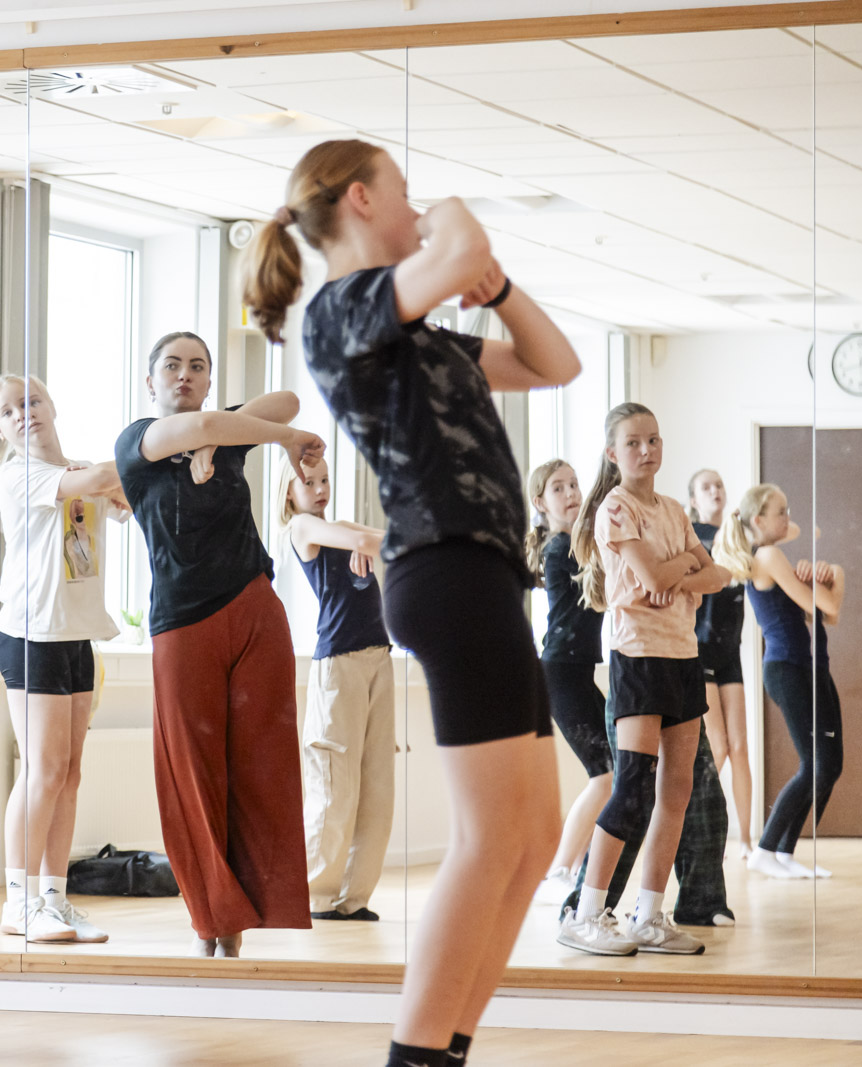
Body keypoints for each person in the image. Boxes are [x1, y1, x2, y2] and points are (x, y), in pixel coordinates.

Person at [245, 138, 579, 1067]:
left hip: (484, 575)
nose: (415, 202)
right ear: (361, 199)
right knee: (489, 838)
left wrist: (498, 288)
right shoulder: (342, 309)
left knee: (531, 837)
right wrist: (448, 227)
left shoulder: (421, 336)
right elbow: (460, 242)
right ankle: (417, 1054)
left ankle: (446, 1048)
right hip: (445, 571)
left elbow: (554, 364)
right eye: (402, 189)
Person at [114, 331, 321, 959]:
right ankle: (211, 921)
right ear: (150, 381)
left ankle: (250, 920)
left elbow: (286, 400)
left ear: (209, 380)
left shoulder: (227, 433)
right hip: (183, 623)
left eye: (197, 366)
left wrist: (229, 435)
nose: (184, 374)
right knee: (193, 775)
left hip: (254, 608)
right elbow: (212, 426)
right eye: (172, 365)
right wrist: (272, 439)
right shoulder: (136, 443)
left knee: (263, 766)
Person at [0, 374, 129, 945]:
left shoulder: (79, 471)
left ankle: (54, 900)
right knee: (43, 770)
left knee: (69, 774)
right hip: (32, 636)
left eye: (31, 401)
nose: (23, 413)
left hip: (76, 636)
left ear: (52, 406)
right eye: (9, 411)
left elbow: (123, 499)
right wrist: (151, 452)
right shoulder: (20, 475)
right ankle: (19, 903)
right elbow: (103, 480)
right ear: (0, 430)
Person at [558, 403, 730, 959]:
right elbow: (658, 574)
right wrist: (681, 568)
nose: (646, 450)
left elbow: (718, 576)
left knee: (676, 792)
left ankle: (648, 916)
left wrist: (674, 573)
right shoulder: (615, 508)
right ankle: (586, 914)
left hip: (682, 656)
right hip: (637, 659)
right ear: (613, 453)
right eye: (633, 443)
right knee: (631, 789)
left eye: (653, 440)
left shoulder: (674, 510)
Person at [273, 453, 392, 923]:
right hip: (338, 667)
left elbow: (376, 539)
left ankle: (353, 896)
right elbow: (372, 540)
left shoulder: (337, 528)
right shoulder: (302, 528)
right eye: (310, 482)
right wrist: (368, 542)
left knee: (377, 785)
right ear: (289, 491)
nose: (321, 488)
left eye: (325, 479)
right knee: (333, 784)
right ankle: (315, 896)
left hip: (378, 658)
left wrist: (367, 541)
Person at [713, 485, 845, 880]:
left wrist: (819, 576)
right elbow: (828, 605)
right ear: (757, 520)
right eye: (781, 511)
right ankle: (765, 849)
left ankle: (783, 852)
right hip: (787, 670)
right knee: (815, 765)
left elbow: (827, 616)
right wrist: (836, 574)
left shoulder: (773, 554)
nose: (789, 519)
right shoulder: (767, 556)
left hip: (808, 667)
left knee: (830, 766)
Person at [524, 460, 613, 905]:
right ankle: (559, 870)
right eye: (559, 488)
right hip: (561, 673)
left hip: (576, 672)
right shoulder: (561, 548)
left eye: (575, 484)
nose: (572, 493)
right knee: (605, 776)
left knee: (612, 774)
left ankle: (574, 868)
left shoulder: (574, 544)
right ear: (540, 503)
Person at [688, 469, 753, 857]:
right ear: (694, 500)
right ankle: (704, 834)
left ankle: (746, 842)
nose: (715, 491)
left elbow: (794, 530)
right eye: (706, 487)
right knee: (718, 746)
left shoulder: (737, 536)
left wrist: (746, 519)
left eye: (719, 485)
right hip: (700, 652)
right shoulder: (692, 537)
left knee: (740, 746)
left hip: (731, 654)